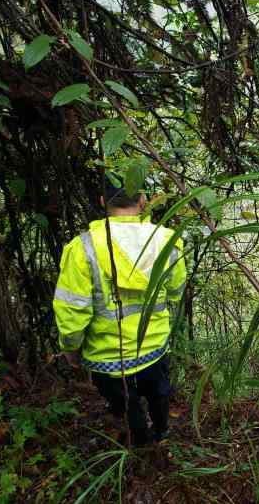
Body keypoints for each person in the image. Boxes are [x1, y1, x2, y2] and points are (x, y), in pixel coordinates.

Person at [53, 174, 186, 445]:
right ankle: (161, 434)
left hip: (108, 356)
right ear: (143, 200)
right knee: (159, 393)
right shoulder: (167, 240)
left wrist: (70, 347)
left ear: (103, 201)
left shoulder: (82, 248)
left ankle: (139, 445)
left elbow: (72, 311)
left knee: (125, 404)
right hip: (154, 344)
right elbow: (175, 291)